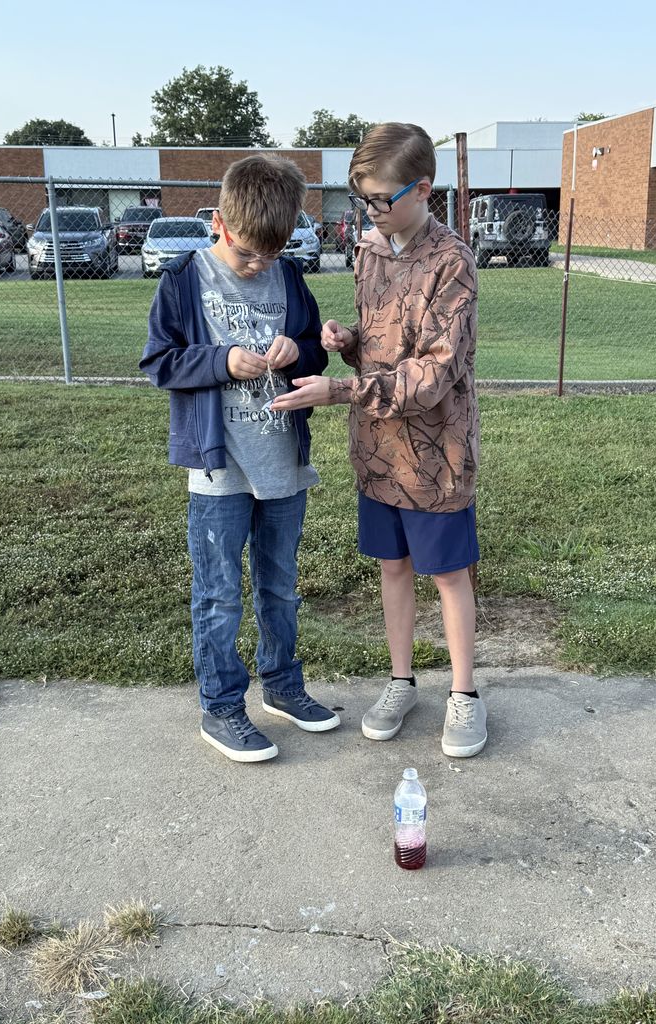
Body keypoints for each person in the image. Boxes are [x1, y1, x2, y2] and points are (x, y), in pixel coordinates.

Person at [271, 123, 486, 759]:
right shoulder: (370, 250)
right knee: (393, 567)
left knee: (447, 573)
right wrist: (348, 341)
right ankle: (401, 682)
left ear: (425, 189)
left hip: (435, 453)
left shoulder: (453, 264)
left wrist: (336, 391)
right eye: (361, 201)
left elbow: (431, 376)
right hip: (377, 448)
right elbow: (381, 343)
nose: (369, 213)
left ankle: (465, 695)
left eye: (380, 201)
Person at [140, 155, 339, 763]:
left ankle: (282, 687)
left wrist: (298, 351)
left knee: (280, 588)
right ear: (219, 224)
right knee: (220, 594)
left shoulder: (289, 278)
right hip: (218, 470)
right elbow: (159, 363)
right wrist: (221, 362)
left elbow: (316, 357)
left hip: (282, 464)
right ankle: (222, 707)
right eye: (249, 252)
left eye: (270, 256)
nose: (259, 266)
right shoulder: (182, 279)